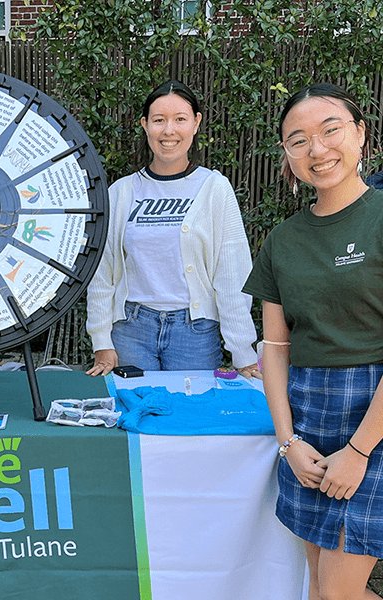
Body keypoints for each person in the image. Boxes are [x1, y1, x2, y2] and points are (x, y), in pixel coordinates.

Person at [243, 83, 383, 599]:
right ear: (286, 154)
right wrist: (288, 442)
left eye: (330, 131)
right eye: (297, 139)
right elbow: (276, 349)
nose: (317, 150)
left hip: (373, 422)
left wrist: (360, 450)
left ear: (360, 135)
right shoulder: (281, 240)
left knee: (338, 595)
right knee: (323, 592)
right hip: (310, 421)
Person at [86, 80, 259, 378]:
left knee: (192, 420)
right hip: (130, 331)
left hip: (194, 335)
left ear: (196, 123)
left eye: (180, 119)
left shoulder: (214, 188)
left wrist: (243, 351)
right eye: (159, 120)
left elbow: (232, 273)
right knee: (135, 419)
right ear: (145, 125)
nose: (169, 131)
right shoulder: (121, 192)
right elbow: (103, 273)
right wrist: (101, 340)